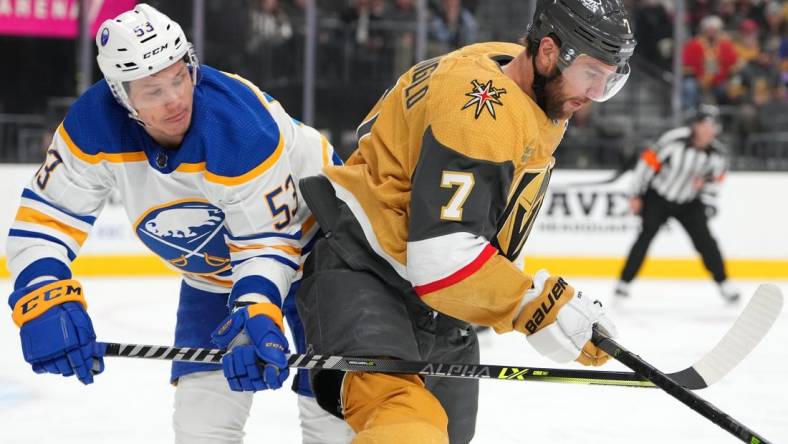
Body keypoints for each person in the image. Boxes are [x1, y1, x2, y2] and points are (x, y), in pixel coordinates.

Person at [5, 4, 352, 443]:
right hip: (214, 276)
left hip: (323, 252)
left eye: (179, 77)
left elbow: (267, 242)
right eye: (152, 91)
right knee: (201, 424)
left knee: (332, 408)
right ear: (120, 94)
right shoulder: (91, 128)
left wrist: (256, 307)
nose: (174, 99)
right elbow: (45, 219)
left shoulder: (241, 128)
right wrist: (41, 293)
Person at [294, 0, 636, 442]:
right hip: (368, 272)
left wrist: (539, 304)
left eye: (609, 81)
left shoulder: (499, 64)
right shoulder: (482, 111)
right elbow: (441, 260)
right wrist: (534, 304)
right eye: (591, 73)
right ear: (549, 51)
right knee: (407, 426)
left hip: (436, 302)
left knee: (449, 433)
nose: (594, 94)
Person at [614, 105, 740, 303]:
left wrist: (705, 185)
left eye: (712, 125)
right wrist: (635, 195)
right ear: (695, 126)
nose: (708, 129)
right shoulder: (674, 141)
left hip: (689, 201)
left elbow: (717, 183)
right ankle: (623, 283)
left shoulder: (717, 154)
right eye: (704, 124)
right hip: (658, 196)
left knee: (706, 243)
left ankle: (724, 284)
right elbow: (647, 165)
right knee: (645, 238)